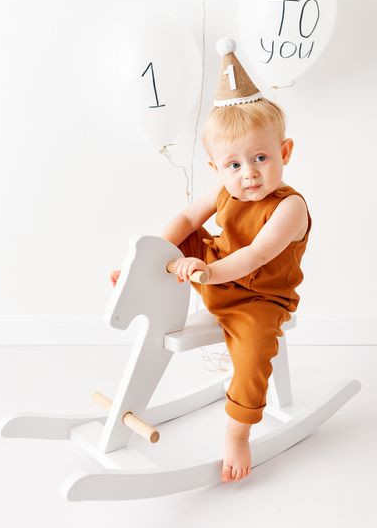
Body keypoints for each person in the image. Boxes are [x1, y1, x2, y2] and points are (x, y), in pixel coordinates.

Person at [110, 38, 311, 484]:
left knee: (257, 354)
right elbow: (186, 217)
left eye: (261, 158)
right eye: (234, 164)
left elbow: (257, 254)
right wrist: (160, 258)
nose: (249, 173)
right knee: (184, 235)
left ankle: (238, 433)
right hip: (215, 268)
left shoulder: (289, 207)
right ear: (216, 167)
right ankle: (134, 275)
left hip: (257, 297)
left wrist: (207, 272)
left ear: (285, 152)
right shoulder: (224, 189)